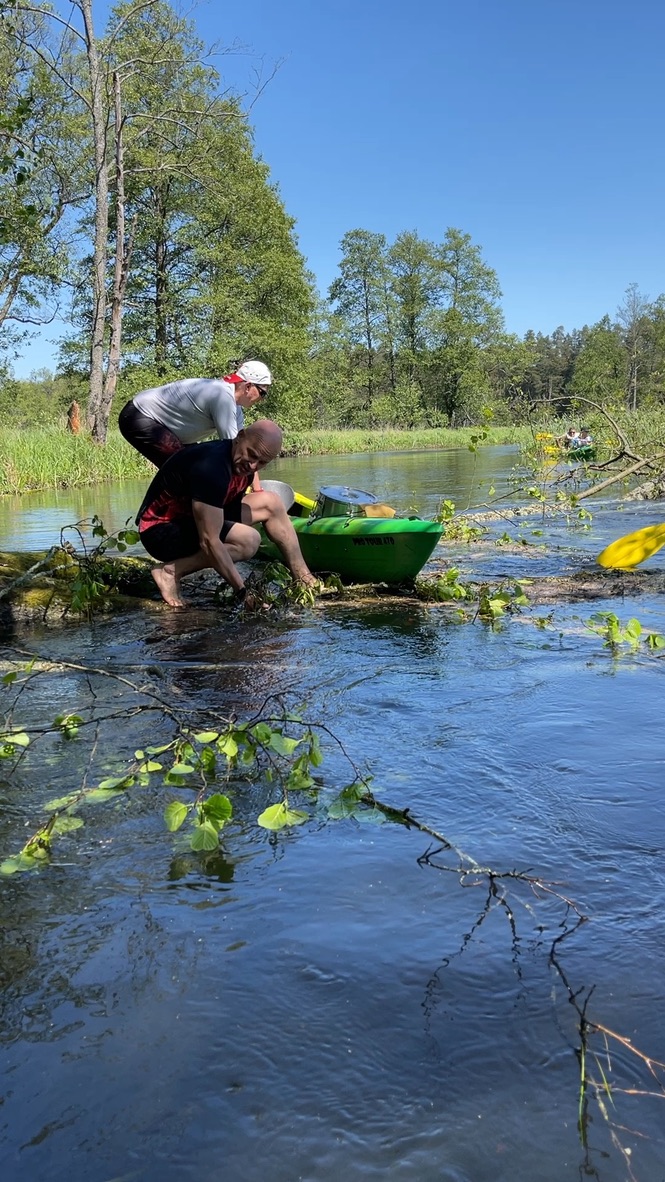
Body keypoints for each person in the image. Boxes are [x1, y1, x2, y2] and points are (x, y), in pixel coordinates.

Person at [136, 418, 317, 607]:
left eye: (262, 462)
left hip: (190, 516)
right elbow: (208, 541)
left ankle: (305, 579)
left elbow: (224, 505)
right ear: (239, 437)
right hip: (160, 531)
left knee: (271, 502)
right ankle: (170, 572)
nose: (253, 466)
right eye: (251, 455)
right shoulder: (212, 468)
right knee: (248, 541)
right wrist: (243, 593)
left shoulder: (241, 463)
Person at [118, 360, 273, 470]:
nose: (262, 398)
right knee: (185, 471)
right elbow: (232, 449)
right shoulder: (223, 396)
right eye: (262, 392)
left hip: (157, 424)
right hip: (140, 417)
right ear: (248, 386)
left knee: (194, 467)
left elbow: (243, 446)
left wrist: (256, 488)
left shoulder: (235, 407)